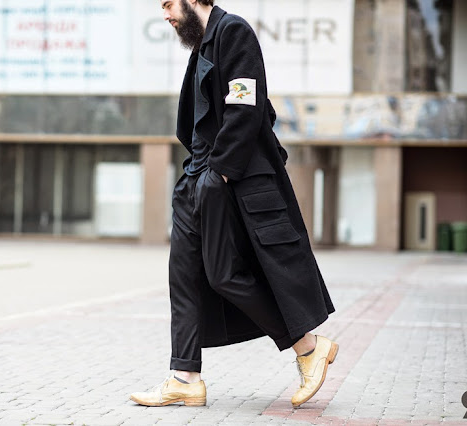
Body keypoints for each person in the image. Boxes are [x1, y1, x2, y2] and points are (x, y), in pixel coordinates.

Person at [130, 0, 338, 408]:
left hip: (222, 179)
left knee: (224, 275)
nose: (166, 14)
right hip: (195, 178)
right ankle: (184, 377)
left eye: (169, 4)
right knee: (183, 276)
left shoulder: (233, 32)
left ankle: (309, 347)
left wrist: (219, 175)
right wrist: (197, 177)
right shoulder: (203, 45)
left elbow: (245, 108)